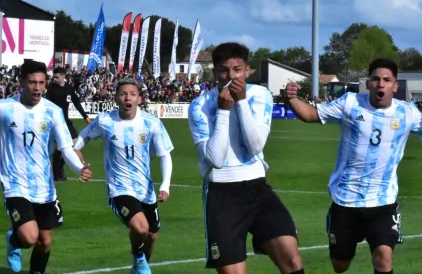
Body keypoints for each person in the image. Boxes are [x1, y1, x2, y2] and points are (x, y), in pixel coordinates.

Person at [0, 60, 92, 274]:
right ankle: (14, 241)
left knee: (44, 241)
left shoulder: (53, 112)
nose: (37, 88)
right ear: (21, 83)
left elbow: (65, 147)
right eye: (32, 82)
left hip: (44, 185)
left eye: (41, 83)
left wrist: (78, 168)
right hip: (14, 183)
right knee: (29, 237)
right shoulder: (5, 108)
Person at [285, 58, 422, 274]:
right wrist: (291, 98)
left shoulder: (409, 113)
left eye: (387, 80)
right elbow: (311, 114)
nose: (381, 84)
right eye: (376, 79)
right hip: (347, 200)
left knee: (384, 257)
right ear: (368, 83)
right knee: (340, 264)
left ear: (395, 86)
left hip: (383, 200)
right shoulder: (350, 103)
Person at [188, 42, 305, 274]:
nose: (231, 76)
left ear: (247, 70)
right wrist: (222, 111)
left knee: (292, 260)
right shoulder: (200, 106)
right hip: (222, 195)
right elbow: (216, 159)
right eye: (224, 70)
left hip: (257, 189)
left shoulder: (260, 95)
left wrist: (241, 102)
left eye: (237, 69)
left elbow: (255, 146)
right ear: (214, 71)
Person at [73, 77, 173, 274]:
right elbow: (84, 135)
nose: (128, 97)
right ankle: (137, 257)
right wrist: (76, 151)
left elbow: (165, 155)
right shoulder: (105, 120)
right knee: (141, 228)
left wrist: (165, 185)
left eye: (133, 94)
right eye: (123, 93)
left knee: (151, 236)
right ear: (116, 97)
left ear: (139, 98)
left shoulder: (151, 123)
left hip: (145, 189)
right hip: (119, 188)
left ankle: (139, 265)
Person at [44, 66, 91, 181]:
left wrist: (86, 117)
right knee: (62, 147)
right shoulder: (50, 88)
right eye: (53, 77)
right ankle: (57, 173)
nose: (54, 79)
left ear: (63, 76)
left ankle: (58, 170)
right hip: (54, 123)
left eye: (56, 77)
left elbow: (77, 104)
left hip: (66, 122)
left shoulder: (69, 89)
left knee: (74, 145)